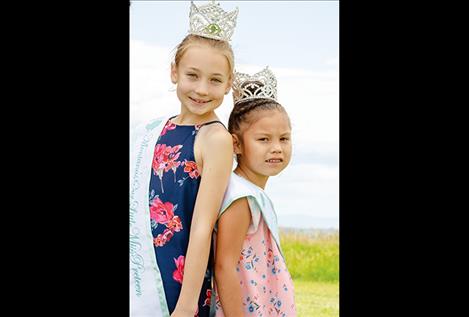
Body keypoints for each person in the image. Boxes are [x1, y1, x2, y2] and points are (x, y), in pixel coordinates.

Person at [130, 1, 239, 316]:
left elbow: (203, 225)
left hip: (178, 280)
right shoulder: (154, 131)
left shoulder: (215, 139)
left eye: (215, 80)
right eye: (193, 75)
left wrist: (187, 304)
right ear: (174, 72)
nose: (202, 89)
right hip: (139, 268)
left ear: (229, 84)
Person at [212, 67, 297, 316]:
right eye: (263, 139)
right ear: (236, 144)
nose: (276, 148)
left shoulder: (250, 191)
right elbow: (224, 266)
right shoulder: (240, 197)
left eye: (284, 138)